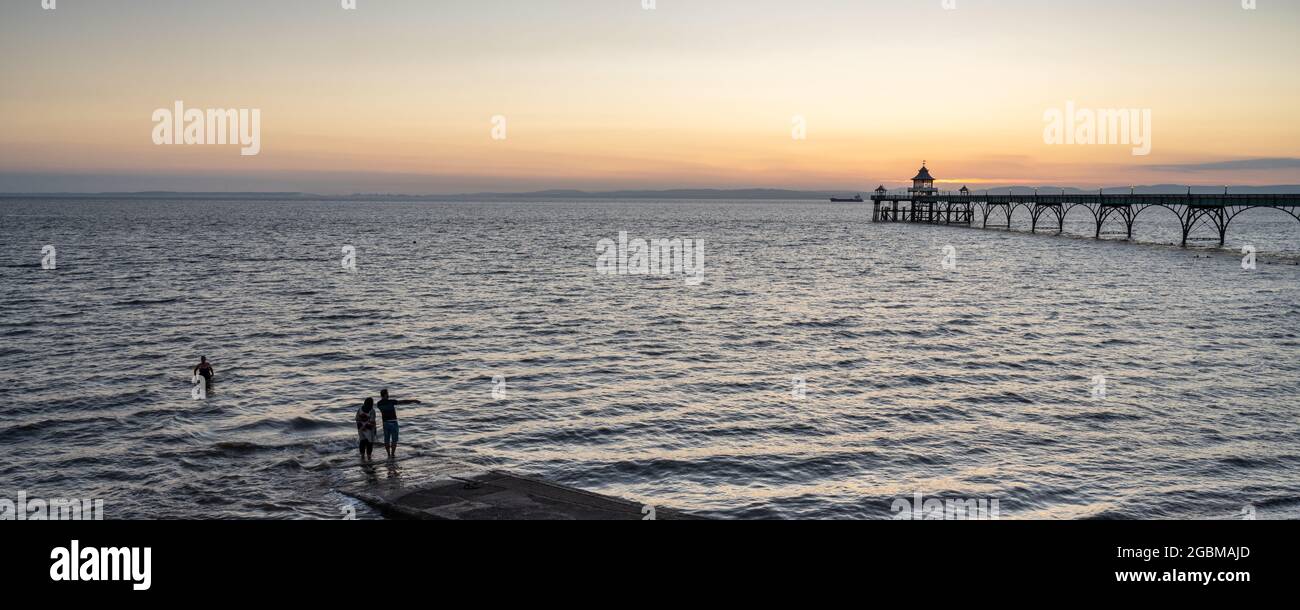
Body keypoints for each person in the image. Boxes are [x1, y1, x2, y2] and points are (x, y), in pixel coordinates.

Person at [375, 389, 421, 459]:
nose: (388, 395)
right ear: (385, 395)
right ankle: (392, 454)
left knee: (386, 440)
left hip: (385, 423)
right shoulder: (391, 402)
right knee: (394, 440)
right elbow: (403, 402)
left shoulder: (379, 404)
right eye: (387, 394)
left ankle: (388, 454)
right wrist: (413, 400)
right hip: (393, 422)